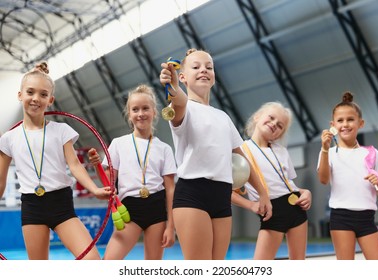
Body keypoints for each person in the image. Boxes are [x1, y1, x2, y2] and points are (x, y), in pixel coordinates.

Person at [159, 48, 272, 260]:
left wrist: (263, 192)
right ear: (182, 76)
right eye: (196, 67)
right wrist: (173, 88)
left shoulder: (223, 117)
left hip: (221, 196)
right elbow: (179, 101)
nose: (204, 70)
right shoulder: (183, 108)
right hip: (192, 193)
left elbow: (244, 160)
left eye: (208, 67)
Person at [0, 62, 112, 260]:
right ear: (20, 95)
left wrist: (94, 189)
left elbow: (75, 165)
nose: (36, 99)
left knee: (92, 260)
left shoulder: (61, 131)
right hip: (32, 207)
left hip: (61, 205)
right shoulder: (8, 138)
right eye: (30, 92)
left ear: (50, 100)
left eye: (43, 94)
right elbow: (1, 181)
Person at [88, 84, 176, 260]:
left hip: (157, 210)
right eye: (135, 109)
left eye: (145, 108)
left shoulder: (164, 148)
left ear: (154, 112)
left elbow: (170, 189)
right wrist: (98, 165)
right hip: (129, 210)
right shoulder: (119, 144)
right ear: (129, 114)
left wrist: (171, 227)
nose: (141, 113)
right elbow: (108, 181)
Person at [231, 102, 312, 259]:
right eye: (271, 117)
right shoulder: (240, 151)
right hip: (272, 212)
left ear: (279, 135)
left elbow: (288, 185)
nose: (274, 124)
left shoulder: (281, 151)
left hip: (297, 210)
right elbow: (227, 192)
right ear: (257, 117)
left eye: (280, 125)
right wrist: (251, 205)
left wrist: (306, 192)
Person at [317, 91, 378, 260]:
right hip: (341, 217)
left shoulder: (372, 153)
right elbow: (324, 180)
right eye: (340, 121)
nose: (345, 124)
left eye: (350, 119)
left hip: (367, 218)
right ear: (333, 125)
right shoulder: (329, 152)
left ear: (360, 123)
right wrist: (325, 149)